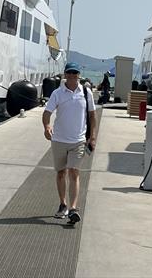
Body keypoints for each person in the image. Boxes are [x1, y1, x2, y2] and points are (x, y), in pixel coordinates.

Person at [42, 62, 96, 224]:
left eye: (75, 73)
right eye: (69, 73)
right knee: (61, 173)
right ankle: (62, 204)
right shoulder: (57, 93)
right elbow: (47, 113)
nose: (72, 76)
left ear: (79, 75)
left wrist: (92, 137)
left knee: (73, 171)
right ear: (65, 75)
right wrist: (46, 126)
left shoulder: (86, 93)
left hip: (78, 141)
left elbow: (92, 116)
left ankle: (73, 208)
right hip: (59, 140)